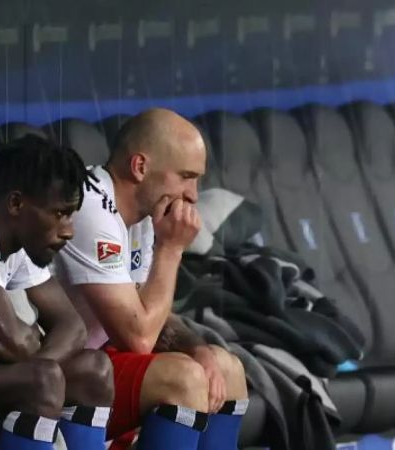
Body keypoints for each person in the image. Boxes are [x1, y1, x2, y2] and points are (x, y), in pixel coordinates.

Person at [53, 108, 249, 450]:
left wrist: (197, 349)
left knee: (226, 368)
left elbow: (147, 312)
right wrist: (170, 250)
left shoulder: (143, 213)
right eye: (186, 176)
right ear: (140, 167)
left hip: (100, 359)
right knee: (183, 379)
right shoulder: (90, 207)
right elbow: (140, 337)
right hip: (61, 374)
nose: (193, 194)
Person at [0, 135, 114, 450]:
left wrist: (37, 361)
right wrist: (34, 362)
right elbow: (12, 342)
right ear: (16, 204)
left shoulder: (17, 238)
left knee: (94, 369)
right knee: (41, 379)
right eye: (59, 213)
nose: (69, 230)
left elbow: (72, 327)